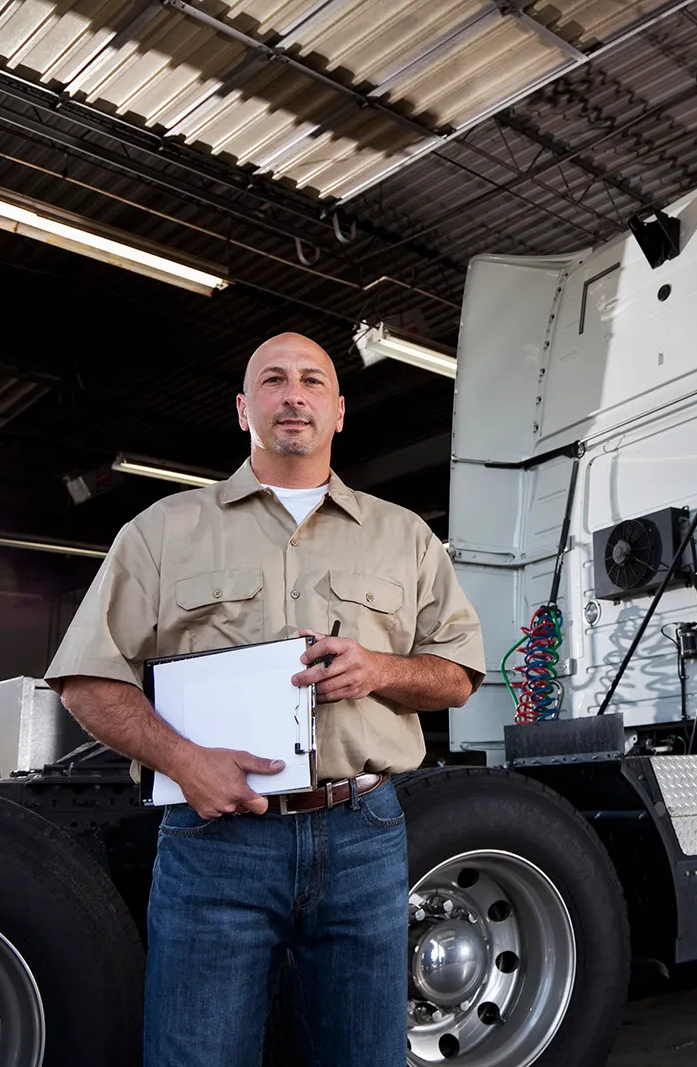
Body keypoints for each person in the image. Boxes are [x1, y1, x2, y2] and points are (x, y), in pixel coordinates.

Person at [47, 332, 484, 1065]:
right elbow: (85, 680)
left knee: (365, 1054)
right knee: (197, 1053)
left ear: (338, 410)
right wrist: (184, 760)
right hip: (215, 842)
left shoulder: (405, 537)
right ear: (243, 407)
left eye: (312, 381)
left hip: (362, 834)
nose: (293, 395)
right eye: (274, 380)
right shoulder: (161, 532)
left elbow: (460, 674)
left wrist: (379, 668)